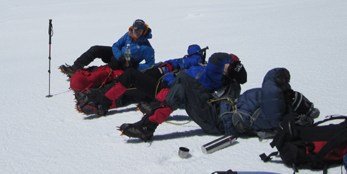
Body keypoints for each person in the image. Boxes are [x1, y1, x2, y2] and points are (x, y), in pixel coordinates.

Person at [118, 67, 319, 142]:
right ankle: (153, 111)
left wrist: (279, 81)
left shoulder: (275, 114)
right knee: (183, 79)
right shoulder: (273, 101)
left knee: (181, 88)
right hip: (218, 106)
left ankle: (147, 126)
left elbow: (271, 84)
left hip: (218, 123)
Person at [77, 50, 247, 117]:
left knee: (132, 84)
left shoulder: (215, 77)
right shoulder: (208, 69)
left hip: (168, 90)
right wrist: (195, 52)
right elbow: (191, 58)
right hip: (167, 80)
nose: (225, 64)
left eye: (228, 63)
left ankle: (98, 101)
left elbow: (214, 63)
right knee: (132, 89)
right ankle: (94, 98)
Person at [59, 19, 155, 77]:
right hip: (119, 56)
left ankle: (83, 75)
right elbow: (116, 46)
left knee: (106, 70)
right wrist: (120, 57)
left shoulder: (147, 48)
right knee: (95, 49)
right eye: (135, 29)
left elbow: (150, 65)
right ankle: (75, 68)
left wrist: (135, 67)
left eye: (140, 30)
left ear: (144, 31)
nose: (137, 32)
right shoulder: (128, 35)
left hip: (127, 64)